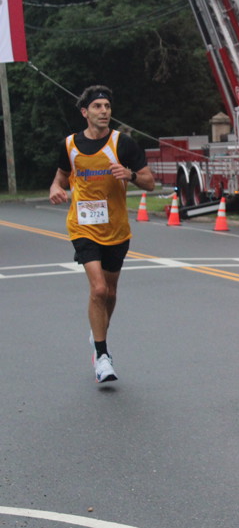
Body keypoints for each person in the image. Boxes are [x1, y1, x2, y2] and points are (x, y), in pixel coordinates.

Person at [49, 85, 155, 383]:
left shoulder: (123, 144)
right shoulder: (69, 145)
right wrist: (56, 188)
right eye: (97, 106)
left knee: (110, 292)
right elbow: (60, 178)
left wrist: (129, 175)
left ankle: (98, 334)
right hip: (83, 226)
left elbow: (149, 182)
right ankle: (102, 356)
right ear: (85, 112)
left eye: (107, 106)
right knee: (97, 289)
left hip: (116, 229)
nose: (104, 111)